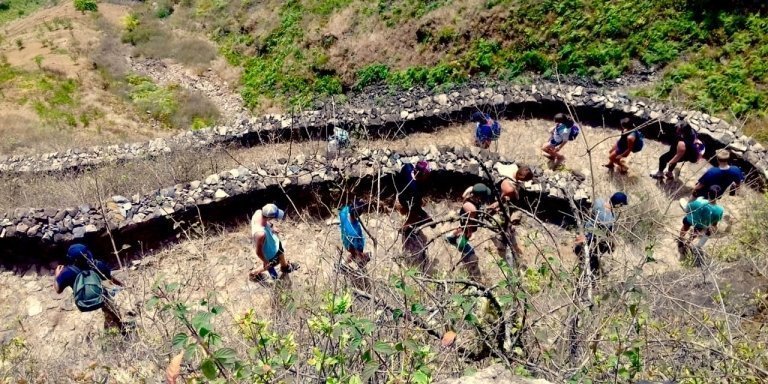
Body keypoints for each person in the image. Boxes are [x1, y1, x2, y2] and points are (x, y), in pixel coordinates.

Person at [53, 243, 125, 332]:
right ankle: (121, 325)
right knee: (111, 304)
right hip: (100, 299)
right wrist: (121, 285)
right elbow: (109, 279)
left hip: (82, 303)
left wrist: (57, 275)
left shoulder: (67, 272)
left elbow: (58, 290)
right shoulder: (98, 265)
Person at [445, 183, 493, 280]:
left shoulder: (470, 191)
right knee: (465, 232)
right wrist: (469, 233)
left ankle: (450, 236)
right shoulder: (473, 209)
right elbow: (469, 222)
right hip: (467, 220)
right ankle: (461, 246)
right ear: (479, 196)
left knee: (461, 227)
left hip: (464, 214)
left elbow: (465, 194)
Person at [574, 192, 628, 275]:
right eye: (621, 205)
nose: (621, 207)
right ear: (618, 204)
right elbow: (607, 233)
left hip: (585, 227)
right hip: (591, 235)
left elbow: (590, 212)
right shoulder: (610, 219)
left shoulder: (599, 201)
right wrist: (612, 245)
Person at [248, 204, 299, 282]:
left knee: (281, 252)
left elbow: (265, 222)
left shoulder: (259, 212)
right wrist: (265, 261)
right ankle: (254, 274)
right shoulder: (260, 234)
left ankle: (284, 267)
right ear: (269, 217)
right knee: (271, 265)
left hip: (274, 243)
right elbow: (258, 251)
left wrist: (271, 227)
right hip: (269, 252)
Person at [393, 160, 433, 230]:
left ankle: (424, 216)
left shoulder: (407, 167)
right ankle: (405, 228)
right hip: (406, 199)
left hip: (401, 192)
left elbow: (399, 178)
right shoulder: (416, 188)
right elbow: (415, 205)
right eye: (427, 174)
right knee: (413, 212)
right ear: (422, 175)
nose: (428, 175)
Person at [339, 200, 372, 268]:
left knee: (353, 254)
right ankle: (359, 265)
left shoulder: (343, 211)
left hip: (345, 238)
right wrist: (360, 252)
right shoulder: (356, 230)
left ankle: (342, 264)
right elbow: (358, 246)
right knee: (356, 255)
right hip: (351, 245)